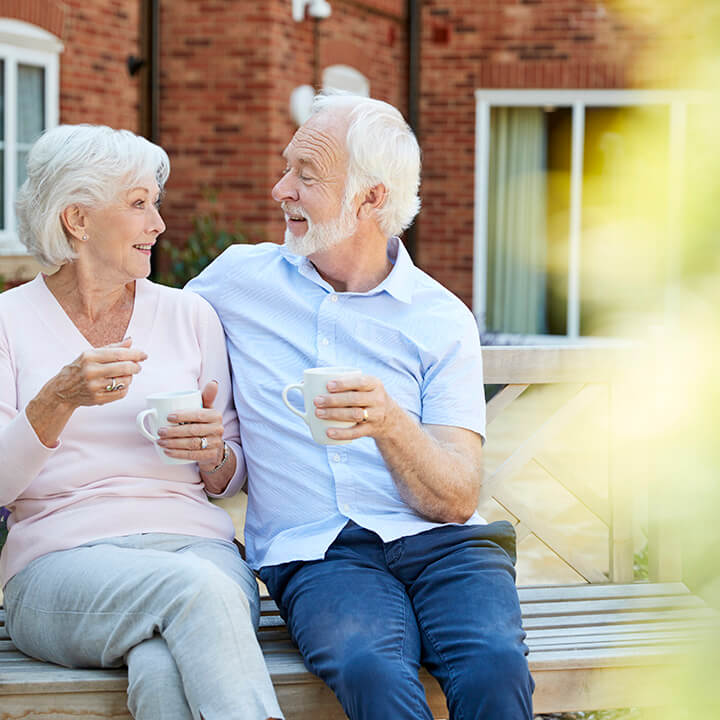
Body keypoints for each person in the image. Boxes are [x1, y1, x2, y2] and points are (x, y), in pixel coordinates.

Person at [188, 93, 534, 719]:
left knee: (494, 664)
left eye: (306, 175)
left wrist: (388, 423)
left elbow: (456, 497)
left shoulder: (438, 318)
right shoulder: (237, 281)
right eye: (286, 166)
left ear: (372, 198)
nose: (279, 189)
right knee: (369, 665)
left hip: (445, 546)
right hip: (319, 552)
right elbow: (146, 324)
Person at [0, 125, 283, 720]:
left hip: (197, 547)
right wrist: (57, 399)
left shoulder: (190, 315)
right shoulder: (8, 322)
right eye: (138, 204)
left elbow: (229, 475)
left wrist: (212, 454)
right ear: (77, 220)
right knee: (195, 592)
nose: (157, 223)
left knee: (161, 668)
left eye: (154, 203)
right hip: (61, 564)